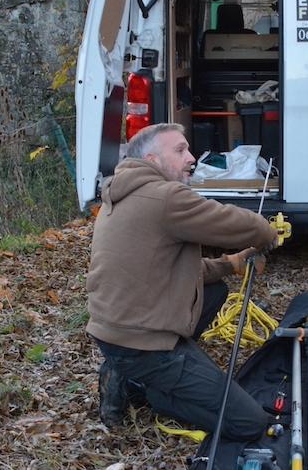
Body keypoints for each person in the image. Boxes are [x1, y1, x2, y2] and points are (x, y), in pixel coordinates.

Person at [86, 123, 278, 440]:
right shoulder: (165, 197)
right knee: (249, 423)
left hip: (115, 332)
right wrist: (266, 232)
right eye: (179, 150)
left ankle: (125, 371)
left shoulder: (125, 193)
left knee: (214, 291)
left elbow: (165, 269)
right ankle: (151, 390)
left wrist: (229, 264)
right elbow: (231, 222)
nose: (191, 157)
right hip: (142, 345)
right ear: (152, 159)